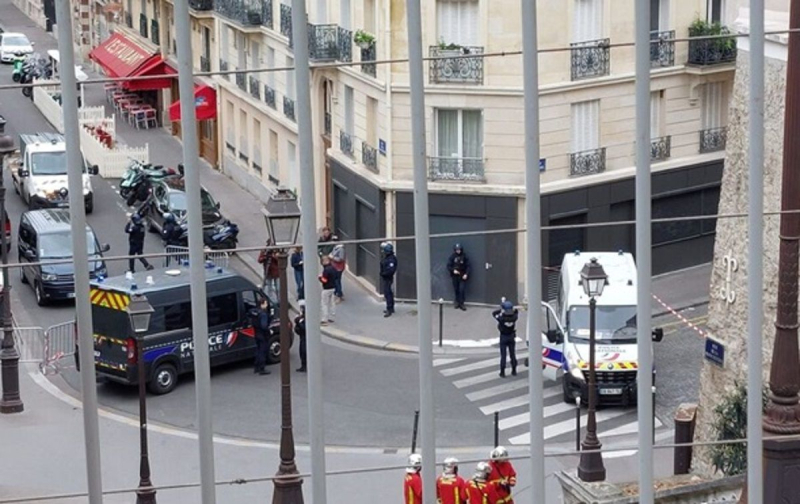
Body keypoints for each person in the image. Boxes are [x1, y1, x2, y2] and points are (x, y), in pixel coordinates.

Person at [493, 300, 519, 377]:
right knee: (512, 354)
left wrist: (501, 310)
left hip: (503, 336)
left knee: (503, 355)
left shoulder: (501, 318)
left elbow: (494, 313)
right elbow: (516, 311)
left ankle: (502, 372)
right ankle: (514, 370)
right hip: (511, 336)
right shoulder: (514, 317)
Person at [447, 244, 470, 310]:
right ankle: (457, 302)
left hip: (462, 275)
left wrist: (466, 274)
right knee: (456, 289)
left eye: (459, 250)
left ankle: (462, 303)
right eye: (457, 250)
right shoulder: (452, 257)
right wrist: (453, 270)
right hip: (455, 276)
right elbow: (448, 266)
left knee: (461, 289)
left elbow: (468, 266)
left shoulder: (464, 256)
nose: (458, 251)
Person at [253, 297, 271, 376]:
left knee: (258, 350)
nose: (267, 305)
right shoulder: (263, 314)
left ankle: (256, 366)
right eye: (266, 303)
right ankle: (262, 368)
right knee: (263, 351)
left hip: (257, 333)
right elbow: (264, 326)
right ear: (262, 304)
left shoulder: (256, 312)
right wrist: (269, 329)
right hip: (263, 334)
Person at [379, 242, 398, 317]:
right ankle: (391, 308)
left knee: (388, 293)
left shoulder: (391, 259)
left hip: (388, 279)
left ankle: (389, 309)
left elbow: (391, 270)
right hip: (386, 278)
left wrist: (383, 274)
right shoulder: (388, 258)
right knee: (388, 293)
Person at [319, 256, 337, 325]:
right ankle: (332, 317)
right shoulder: (333, 268)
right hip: (333, 287)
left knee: (324, 304)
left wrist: (320, 278)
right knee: (332, 303)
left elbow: (324, 280)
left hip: (326, 288)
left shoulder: (326, 270)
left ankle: (324, 319)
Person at [294, 300, 306, 372]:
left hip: (305, 337)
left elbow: (305, 328)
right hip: (302, 336)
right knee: (302, 351)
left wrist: (299, 323)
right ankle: (303, 365)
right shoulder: (301, 318)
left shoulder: (306, 319)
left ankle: (305, 365)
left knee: (304, 351)